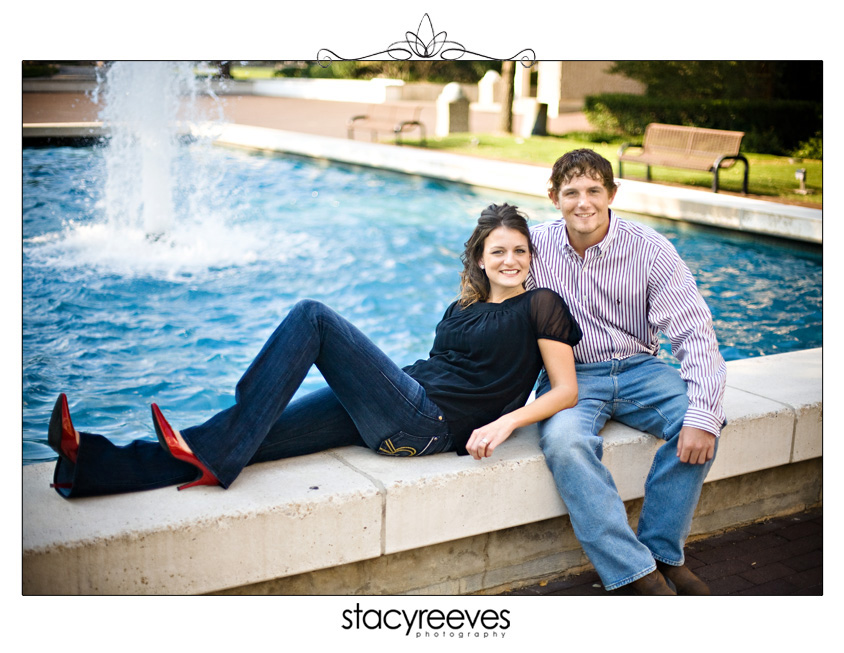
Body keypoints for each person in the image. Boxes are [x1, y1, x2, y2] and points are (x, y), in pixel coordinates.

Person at [47, 203, 582, 498]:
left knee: (312, 316)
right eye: (498, 251)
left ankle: (223, 439)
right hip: (400, 401)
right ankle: (91, 463)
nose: (510, 259)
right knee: (249, 438)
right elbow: (441, 367)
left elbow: (565, 389)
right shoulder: (459, 308)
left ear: (531, 258)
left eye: (520, 250)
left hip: (429, 424)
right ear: (480, 259)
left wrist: (505, 422)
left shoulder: (541, 304)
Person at [526, 149, 726, 595]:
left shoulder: (649, 248)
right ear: (554, 197)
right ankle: (634, 572)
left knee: (700, 422)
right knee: (564, 442)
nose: (584, 202)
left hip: (640, 368)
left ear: (612, 194)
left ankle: (660, 553)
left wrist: (702, 415)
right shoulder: (533, 247)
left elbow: (693, 330)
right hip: (570, 376)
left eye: (594, 190)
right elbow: (486, 279)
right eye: (571, 192)